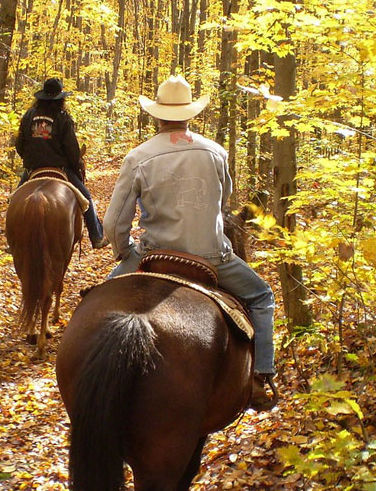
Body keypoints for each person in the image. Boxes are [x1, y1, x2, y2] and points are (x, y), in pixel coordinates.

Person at [102, 75, 277, 410]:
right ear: (189, 114)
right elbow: (222, 201)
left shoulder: (139, 156)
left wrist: (125, 252)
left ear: (156, 115)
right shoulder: (216, 152)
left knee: (99, 298)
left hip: (155, 252)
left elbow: (113, 223)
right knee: (261, 296)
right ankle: (261, 376)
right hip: (212, 256)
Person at [15, 77, 108, 249]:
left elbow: (19, 145)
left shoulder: (28, 116)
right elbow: (72, 150)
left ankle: (12, 239)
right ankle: (97, 236)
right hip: (60, 168)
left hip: (33, 170)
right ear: (60, 98)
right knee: (86, 199)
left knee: (14, 201)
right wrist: (76, 164)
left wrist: (31, 162)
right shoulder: (63, 117)